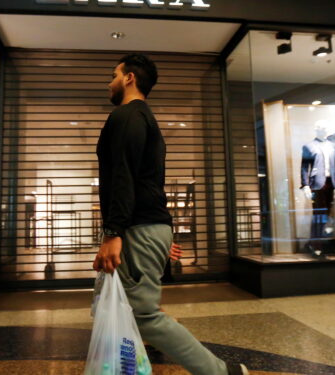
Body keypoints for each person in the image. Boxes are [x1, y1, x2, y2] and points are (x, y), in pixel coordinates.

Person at [93, 53, 249, 375]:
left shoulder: (126, 116)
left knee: (144, 315)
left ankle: (221, 373)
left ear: (129, 78)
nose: (109, 83)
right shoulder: (144, 119)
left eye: (113, 75)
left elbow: (124, 176)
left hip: (136, 228)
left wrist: (113, 232)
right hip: (144, 228)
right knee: (109, 308)